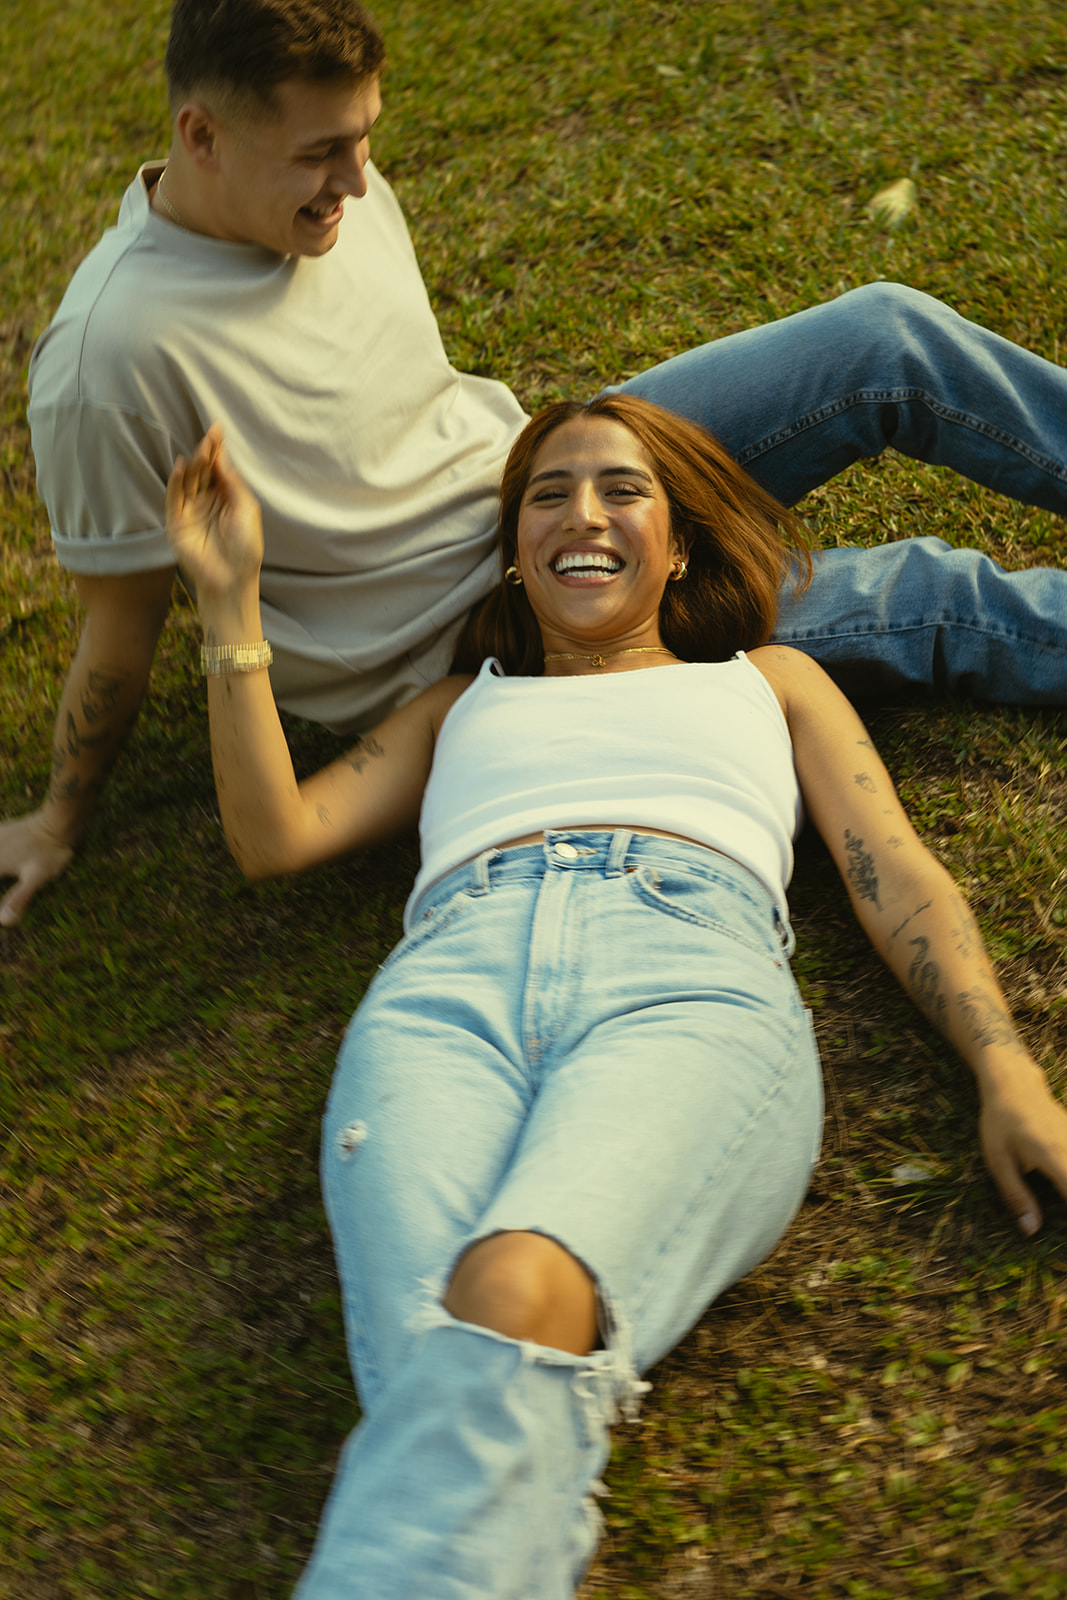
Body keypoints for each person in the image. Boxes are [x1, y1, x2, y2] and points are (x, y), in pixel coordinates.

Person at [165, 392, 1067, 1599]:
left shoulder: (769, 680)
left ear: (677, 543)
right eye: (546, 495)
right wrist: (227, 599)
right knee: (455, 1376)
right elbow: (273, 834)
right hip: (445, 993)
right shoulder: (456, 706)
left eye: (619, 489)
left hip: (682, 978)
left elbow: (890, 872)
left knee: (494, 1301)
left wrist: (1003, 1067)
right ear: (513, 550)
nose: (580, 514)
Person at [8, 0, 1067, 931]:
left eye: (364, 138)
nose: (357, 181)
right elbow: (121, 622)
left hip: (541, 480)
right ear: (200, 135)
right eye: (322, 152)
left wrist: (560, 482)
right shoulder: (111, 360)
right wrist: (60, 817)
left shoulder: (337, 198)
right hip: (489, 629)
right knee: (932, 595)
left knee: (884, 344)